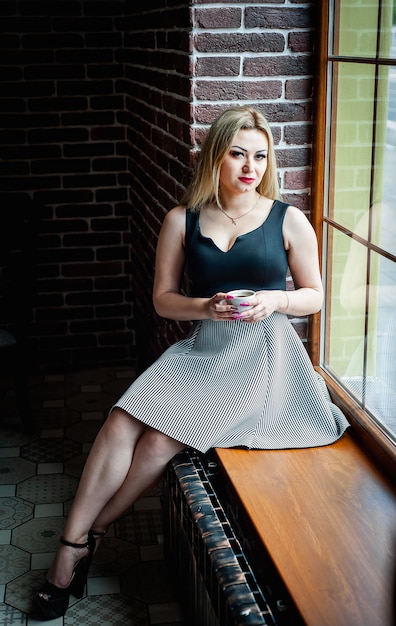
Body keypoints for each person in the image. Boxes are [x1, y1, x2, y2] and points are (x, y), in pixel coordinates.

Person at [35, 105, 349, 619]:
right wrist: (206, 306)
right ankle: (80, 539)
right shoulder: (181, 219)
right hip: (205, 345)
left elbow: (314, 295)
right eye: (238, 154)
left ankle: (77, 547)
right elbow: (162, 299)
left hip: (265, 356)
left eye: (261, 156)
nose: (251, 166)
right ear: (215, 157)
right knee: (120, 418)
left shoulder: (287, 219)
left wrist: (276, 301)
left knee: (160, 438)